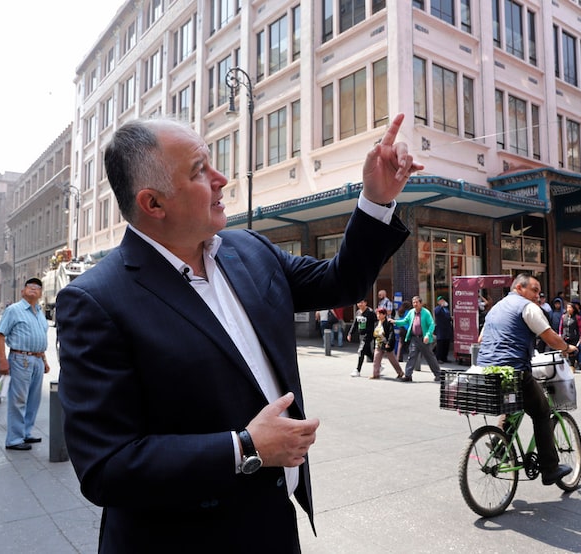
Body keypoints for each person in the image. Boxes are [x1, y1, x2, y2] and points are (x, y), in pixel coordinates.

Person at [56, 113, 419, 552]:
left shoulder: (250, 250)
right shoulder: (96, 300)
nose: (221, 178)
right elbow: (106, 466)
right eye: (199, 171)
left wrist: (376, 200)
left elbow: (340, 282)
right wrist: (243, 447)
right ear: (154, 203)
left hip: (273, 526)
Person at [476, 274, 576, 486]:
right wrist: (567, 348)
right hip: (514, 369)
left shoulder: (496, 308)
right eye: (535, 290)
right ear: (519, 288)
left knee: (511, 403)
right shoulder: (527, 308)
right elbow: (549, 337)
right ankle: (550, 468)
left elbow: (481, 339)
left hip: (487, 369)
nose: (538, 295)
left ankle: (499, 443)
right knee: (541, 413)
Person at [0, 277, 50, 451]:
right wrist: (3, 361)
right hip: (21, 359)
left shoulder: (40, 312)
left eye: (37, 287)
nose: (34, 289)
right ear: (23, 291)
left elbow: (39, 337)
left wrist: (45, 361)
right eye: (30, 287)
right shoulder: (14, 310)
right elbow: (0, 336)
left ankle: (26, 432)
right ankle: (14, 439)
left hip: (37, 359)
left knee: (34, 399)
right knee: (18, 400)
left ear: (41, 293)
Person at [393, 295, 442, 382]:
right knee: (411, 356)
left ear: (421, 303)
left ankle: (438, 374)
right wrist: (395, 322)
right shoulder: (411, 312)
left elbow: (431, 324)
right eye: (413, 302)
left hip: (424, 339)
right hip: (414, 338)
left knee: (430, 357)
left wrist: (428, 335)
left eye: (416, 302)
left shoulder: (426, 313)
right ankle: (408, 375)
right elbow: (405, 321)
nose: (415, 304)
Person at [370, 308, 404, 379]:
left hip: (386, 344)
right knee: (376, 359)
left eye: (380, 314)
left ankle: (400, 372)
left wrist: (388, 343)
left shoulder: (388, 323)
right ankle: (375, 374)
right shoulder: (377, 323)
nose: (378, 315)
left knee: (393, 360)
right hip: (378, 344)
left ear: (384, 315)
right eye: (377, 314)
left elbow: (391, 334)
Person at [347, 299, 377, 377]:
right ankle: (378, 365)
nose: (360, 304)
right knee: (367, 352)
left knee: (361, 351)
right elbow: (355, 324)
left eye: (362, 302)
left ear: (365, 303)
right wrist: (350, 333)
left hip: (369, 334)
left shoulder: (370, 312)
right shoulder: (358, 312)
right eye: (358, 303)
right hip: (361, 335)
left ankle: (357, 370)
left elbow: (376, 322)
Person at [559, 302, 581, 371]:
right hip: (565, 336)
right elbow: (561, 327)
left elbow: (580, 328)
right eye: (567, 308)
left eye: (570, 308)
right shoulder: (563, 316)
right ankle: (567, 365)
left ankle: (572, 366)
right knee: (564, 351)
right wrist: (560, 335)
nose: (569, 309)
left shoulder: (577, 317)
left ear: (573, 309)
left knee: (571, 352)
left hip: (573, 336)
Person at [433, 295, 453, 363]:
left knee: (446, 344)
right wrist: (441, 306)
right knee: (440, 344)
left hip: (447, 328)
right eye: (441, 300)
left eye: (443, 300)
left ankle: (444, 357)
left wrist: (451, 318)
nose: (443, 301)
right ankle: (438, 358)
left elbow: (447, 317)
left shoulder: (446, 309)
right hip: (440, 329)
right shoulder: (437, 308)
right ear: (438, 302)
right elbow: (437, 313)